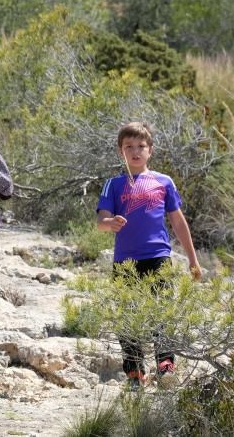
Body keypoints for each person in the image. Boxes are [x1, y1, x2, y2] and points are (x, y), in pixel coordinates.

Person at [96, 121, 202, 389]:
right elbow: (101, 220)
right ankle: (135, 374)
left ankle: (166, 370)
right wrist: (110, 223)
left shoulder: (163, 182)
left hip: (158, 258)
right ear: (121, 151)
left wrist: (193, 260)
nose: (135, 151)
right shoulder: (113, 184)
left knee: (162, 316)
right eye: (128, 146)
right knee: (128, 318)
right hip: (126, 262)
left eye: (140, 146)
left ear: (150, 150)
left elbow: (178, 222)